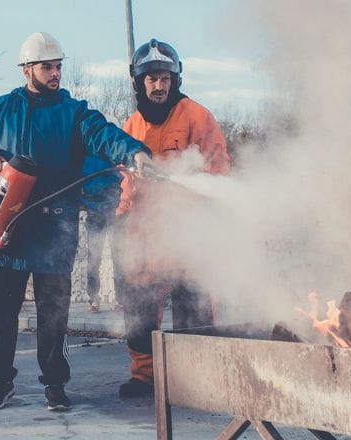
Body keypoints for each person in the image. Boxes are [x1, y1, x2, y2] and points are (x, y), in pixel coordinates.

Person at [0, 32, 152, 412]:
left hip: (56, 227)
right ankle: (0, 383)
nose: (55, 73)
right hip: (7, 226)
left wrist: (134, 151)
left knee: (53, 316)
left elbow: (103, 134)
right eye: (47, 66)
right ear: (27, 69)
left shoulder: (73, 112)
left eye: (58, 66)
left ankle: (55, 385)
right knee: (2, 315)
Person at [117, 39, 232, 398]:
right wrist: (122, 216)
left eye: (165, 77)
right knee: (137, 308)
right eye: (151, 78)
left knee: (193, 305)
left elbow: (216, 169)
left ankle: (193, 375)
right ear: (139, 83)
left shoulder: (197, 116)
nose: (159, 85)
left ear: (175, 79)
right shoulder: (131, 125)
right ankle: (144, 376)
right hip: (144, 235)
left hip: (186, 232)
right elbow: (125, 180)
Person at [80, 155, 122, 313]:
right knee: (94, 256)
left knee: (118, 255)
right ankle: (93, 299)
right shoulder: (85, 151)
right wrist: (83, 202)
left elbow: (122, 176)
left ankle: (121, 298)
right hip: (94, 210)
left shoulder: (112, 150)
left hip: (114, 209)